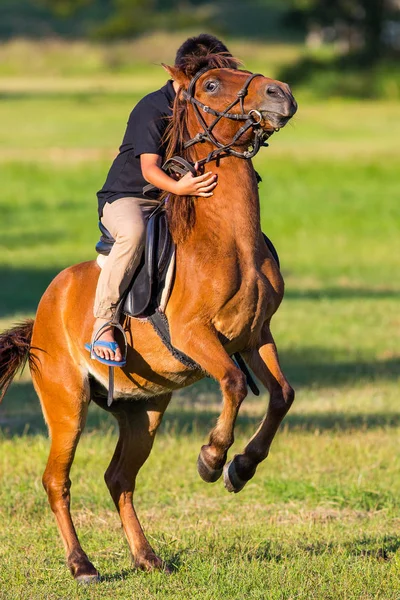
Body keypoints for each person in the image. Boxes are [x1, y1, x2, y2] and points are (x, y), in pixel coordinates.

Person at [88, 33, 239, 365]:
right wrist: (183, 189)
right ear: (178, 76)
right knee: (135, 233)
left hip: (171, 198)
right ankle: (103, 323)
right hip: (129, 198)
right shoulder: (151, 109)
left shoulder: (202, 108)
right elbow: (150, 170)